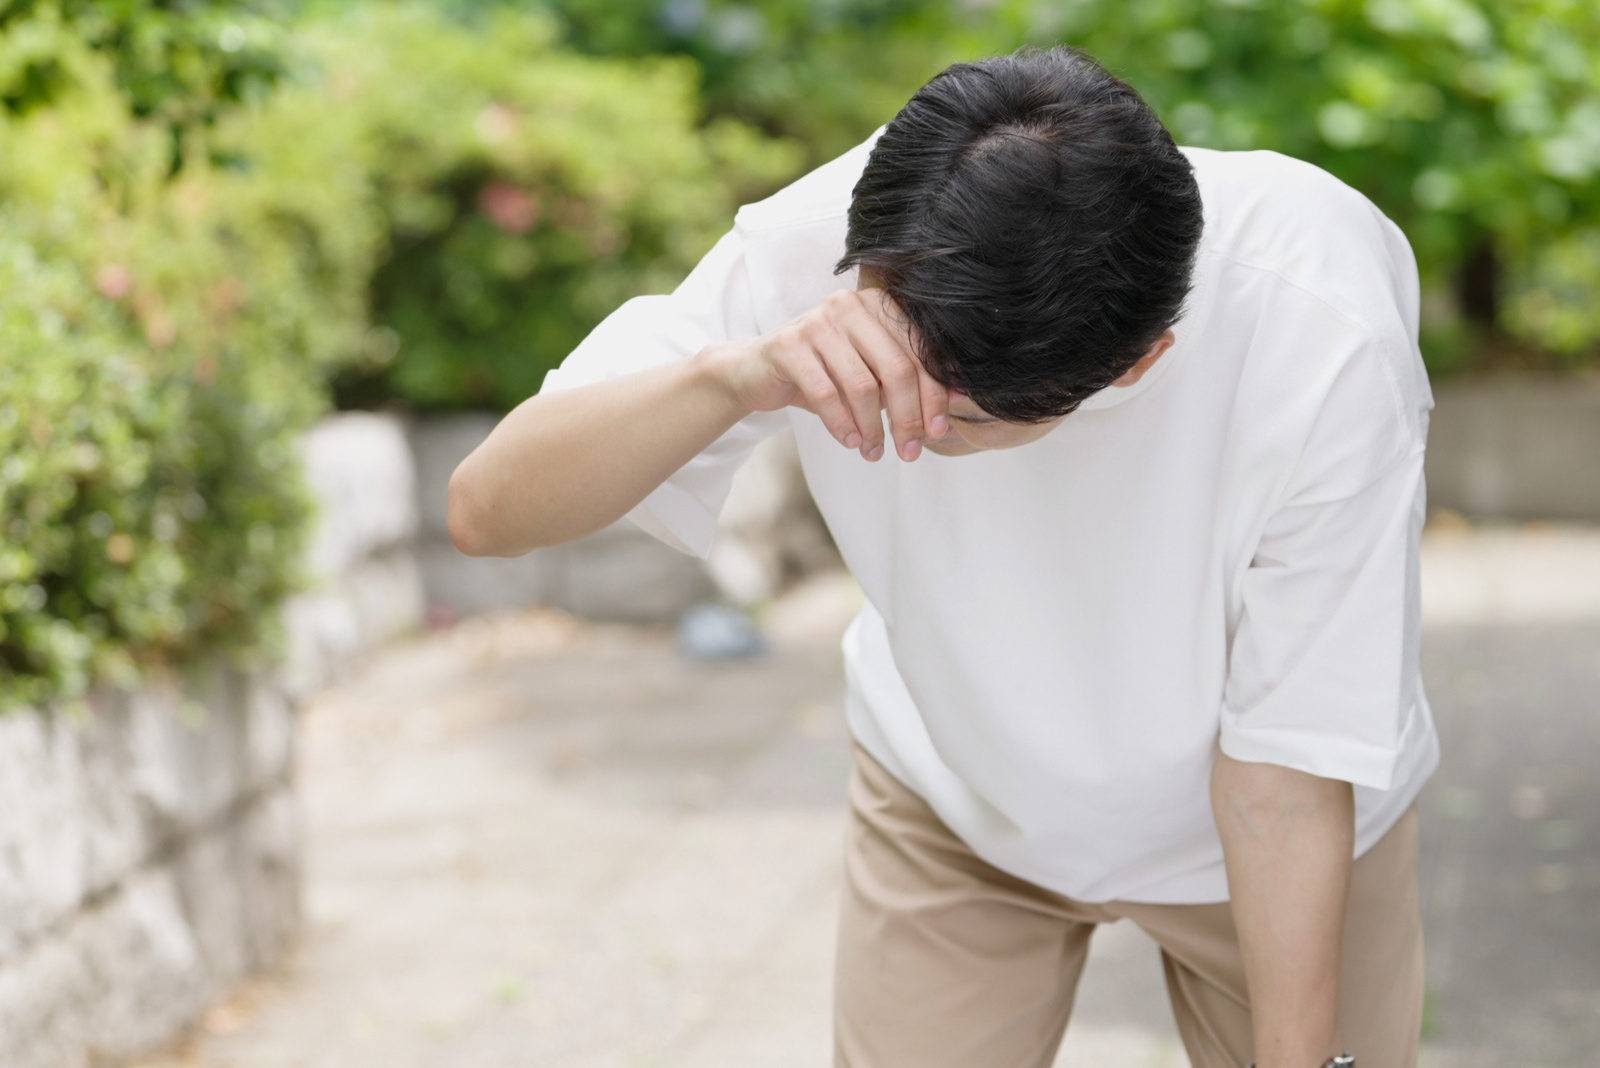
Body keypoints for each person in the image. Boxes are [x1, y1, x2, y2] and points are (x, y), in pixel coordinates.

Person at [447, 47, 1437, 1068]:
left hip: (1268, 843)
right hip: (955, 795)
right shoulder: (829, 240)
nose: (905, 428)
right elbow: (486, 509)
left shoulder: (1320, 322)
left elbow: (1282, 768)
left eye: (956, 417)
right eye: (890, 376)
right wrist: (733, 378)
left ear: (1140, 362)